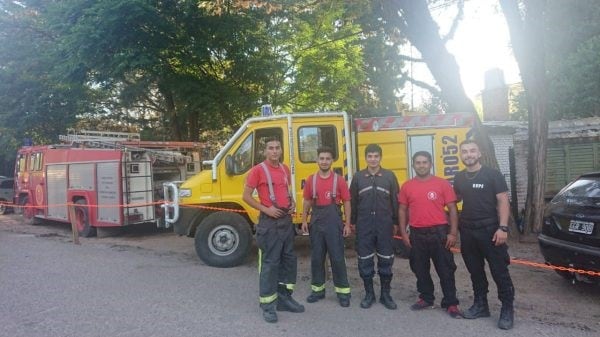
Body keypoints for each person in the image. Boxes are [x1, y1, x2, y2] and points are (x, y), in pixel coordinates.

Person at [453, 139, 515, 330]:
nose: (468, 155)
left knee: (499, 272)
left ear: (479, 154)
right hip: (468, 232)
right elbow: (454, 200)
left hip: (491, 231)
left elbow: (503, 201)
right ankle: (481, 305)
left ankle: (507, 309)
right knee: (475, 271)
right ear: (461, 155)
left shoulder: (493, 175)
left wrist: (503, 228)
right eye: (465, 152)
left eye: (472, 151)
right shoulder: (459, 177)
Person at [242, 138, 304, 323]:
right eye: (271, 148)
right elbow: (245, 196)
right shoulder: (257, 170)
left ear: (281, 150)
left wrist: (292, 202)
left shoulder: (284, 168)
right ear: (265, 151)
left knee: (288, 261)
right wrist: (266, 209)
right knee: (270, 264)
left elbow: (285, 190)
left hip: (286, 221)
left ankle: (284, 299)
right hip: (269, 223)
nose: (274, 151)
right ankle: (268, 305)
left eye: (277, 148)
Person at [397, 151, 462, 318]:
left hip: (439, 233)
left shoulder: (442, 184)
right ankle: (426, 297)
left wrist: (453, 233)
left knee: (446, 269)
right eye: (418, 162)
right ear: (413, 165)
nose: (421, 165)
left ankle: (451, 302)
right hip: (417, 234)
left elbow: (453, 209)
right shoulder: (407, 186)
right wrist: (403, 232)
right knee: (419, 268)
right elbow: (402, 210)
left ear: (430, 164)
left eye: (425, 162)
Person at [349, 144, 399, 310]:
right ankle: (369, 294)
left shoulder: (389, 176)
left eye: (376, 156)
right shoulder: (358, 177)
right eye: (369, 156)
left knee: (386, 260)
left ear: (380, 157)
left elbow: (395, 202)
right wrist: (352, 222)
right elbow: (353, 202)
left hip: (384, 226)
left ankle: (385, 295)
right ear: (365, 158)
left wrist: (397, 223)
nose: (373, 159)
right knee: (365, 260)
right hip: (364, 226)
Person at [301, 146, 352, 307]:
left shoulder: (339, 180)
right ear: (317, 160)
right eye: (321, 158)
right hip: (316, 222)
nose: (324, 161)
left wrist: (347, 224)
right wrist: (303, 220)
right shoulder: (311, 180)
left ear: (332, 161)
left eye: (327, 158)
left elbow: (347, 203)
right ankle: (318, 290)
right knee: (317, 258)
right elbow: (307, 201)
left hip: (333, 222)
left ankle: (343, 292)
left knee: (337, 258)